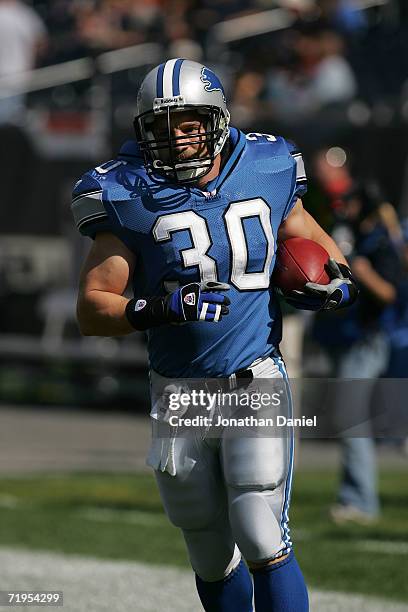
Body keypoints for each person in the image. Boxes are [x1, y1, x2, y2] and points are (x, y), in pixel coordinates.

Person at [72, 59, 358, 612]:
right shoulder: (125, 191)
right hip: (178, 392)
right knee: (207, 549)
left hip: (253, 377)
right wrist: (158, 308)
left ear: (219, 120)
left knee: (259, 529)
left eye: (190, 123)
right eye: (161, 127)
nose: (176, 138)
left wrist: (334, 285)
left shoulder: (269, 165)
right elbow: (92, 309)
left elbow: (317, 248)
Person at [313, 183, 401, 524]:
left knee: (352, 420)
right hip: (342, 339)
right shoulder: (350, 237)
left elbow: (390, 294)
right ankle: (354, 496)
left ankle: (361, 500)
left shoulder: (380, 243)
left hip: (365, 341)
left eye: (350, 203)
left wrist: (364, 275)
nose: (344, 209)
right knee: (348, 419)